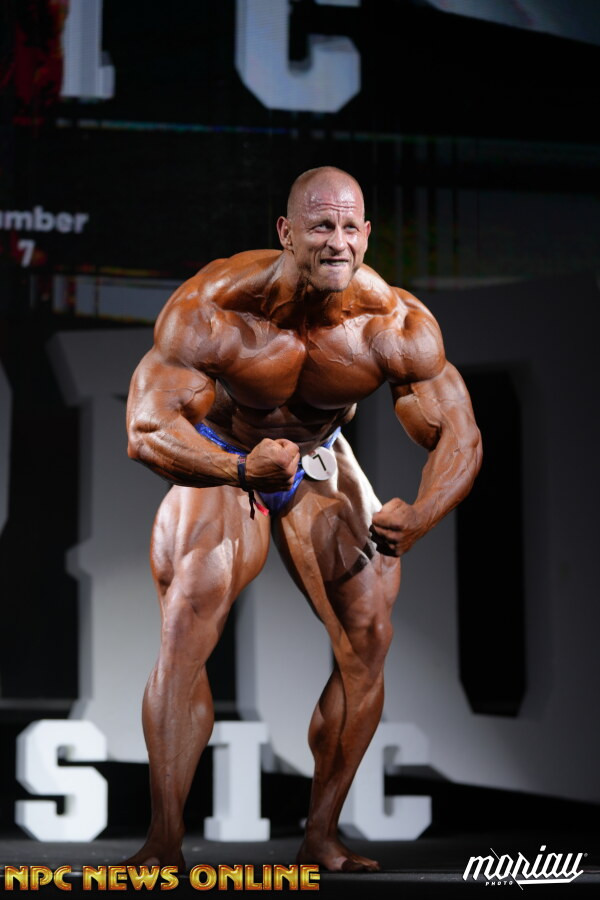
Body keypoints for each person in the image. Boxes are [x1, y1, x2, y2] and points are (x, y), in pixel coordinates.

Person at [125, 166, 482, 872]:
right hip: (226, 448)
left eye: (350, 227)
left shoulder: (393, 324)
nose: (337, 242)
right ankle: (164, 840)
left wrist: (422, 513)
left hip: (319, 453)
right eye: (321, 226)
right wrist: (237, 470)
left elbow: (460, 437)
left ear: (367, 235)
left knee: (369, 633)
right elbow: (146, 428)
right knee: (188, 614)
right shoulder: (215, 306)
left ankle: (321, 835)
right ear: (286, 233)